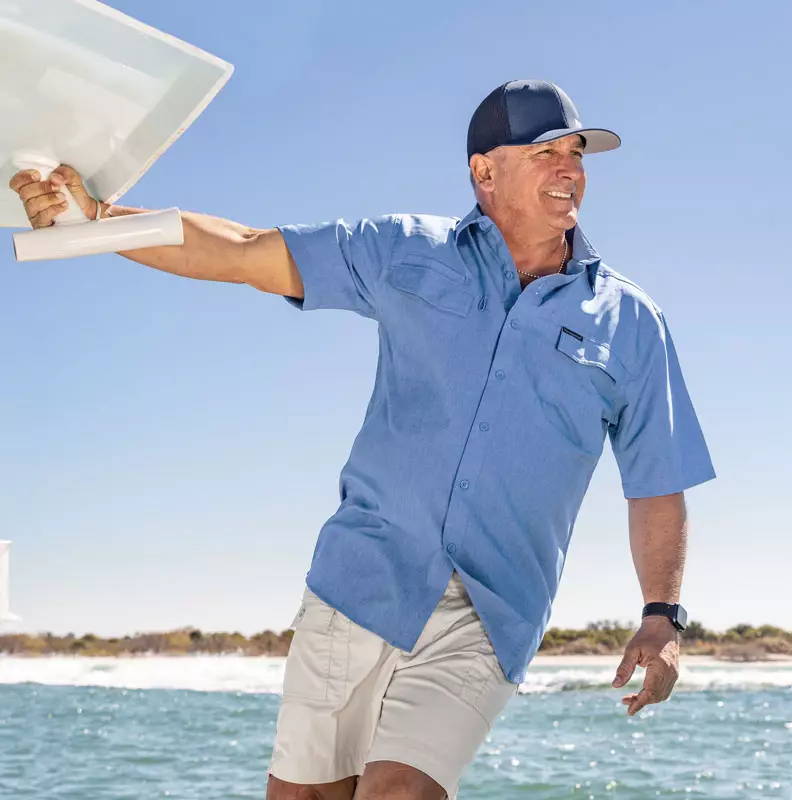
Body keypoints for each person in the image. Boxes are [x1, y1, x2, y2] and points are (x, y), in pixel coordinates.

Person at [9, 79, 716, 800]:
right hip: (360, 582)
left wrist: (662, 616)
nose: (571, 169)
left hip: (490, 610)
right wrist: (97, 220)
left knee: (400, 792)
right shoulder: (406, 252)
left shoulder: (630, 321)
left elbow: (658, 478)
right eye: (545, 152)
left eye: (577, 153)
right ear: (485, 171)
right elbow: (244, 252)